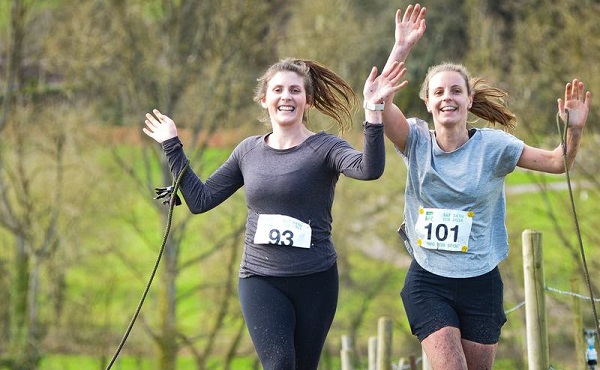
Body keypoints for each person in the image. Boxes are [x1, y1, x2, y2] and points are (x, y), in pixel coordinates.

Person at [142, 57, 408, 369]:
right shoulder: (248, 151)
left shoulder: (326, 148)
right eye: (278, 90)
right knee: (280, 363)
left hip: (316, 280)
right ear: (264, 99)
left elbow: (369, 169)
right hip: (261, 279)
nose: (286, 97)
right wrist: (172, 144)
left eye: (295, 91)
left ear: (307, 100)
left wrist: (374, 112)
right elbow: (201, 199)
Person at [380, 6, 592, 369]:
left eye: (456, 91)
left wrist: (573, 129)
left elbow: (559, 163)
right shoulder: (414, 139)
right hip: (429, 279)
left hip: (481, 282)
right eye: (439, 92)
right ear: (428, 102)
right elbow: (378, 102)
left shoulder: (495, 147)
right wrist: (400, 47)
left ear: (469, 100)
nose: (448, 97)